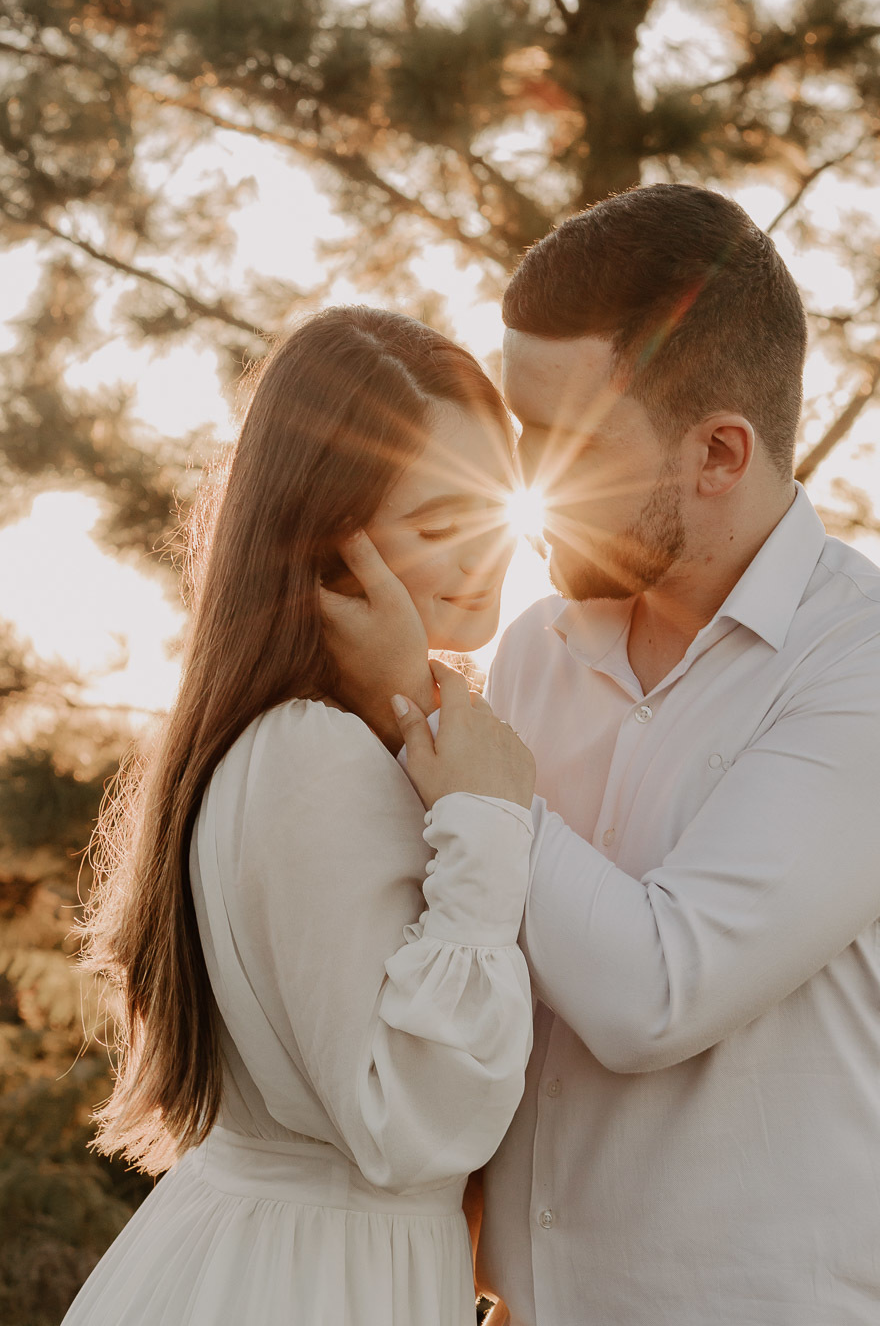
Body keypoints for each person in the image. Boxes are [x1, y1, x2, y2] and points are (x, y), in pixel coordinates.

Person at [380, 184, 880, 1326]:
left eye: (566, 444)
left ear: (719, 452)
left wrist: (478, 779)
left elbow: (657, 995)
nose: (523, 480)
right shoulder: (528, 658)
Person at [63, 305, 537, 1326]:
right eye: (436, 525)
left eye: (494, 510)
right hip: (319, 1282)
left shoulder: (312, 742)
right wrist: (489, 823)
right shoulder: (315, 752)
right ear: (333, 556)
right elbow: (410, 1120)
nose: (482, 559)